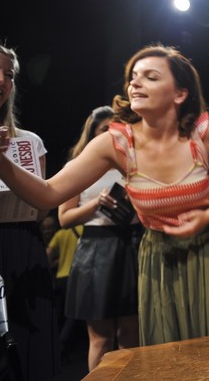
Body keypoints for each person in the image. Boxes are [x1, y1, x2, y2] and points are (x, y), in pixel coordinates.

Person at [0, 44, 209, 348]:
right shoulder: (115, 143)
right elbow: (48, 194)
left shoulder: (202, 133)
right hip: (161, 256)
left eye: (151, 77)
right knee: (172, 355)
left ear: (180, 94)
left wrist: (208, 215)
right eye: (133, 77)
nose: (135, 83)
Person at [0, 43, 59, 380]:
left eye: (9, 74)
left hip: (23, 248)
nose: (1, 79)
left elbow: (42, 209)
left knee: (31, 346)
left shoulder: (30, 141)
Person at [58, 105, 140, 370]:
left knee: (131, 335)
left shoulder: (132, 164)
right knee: (100, 339)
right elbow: (64, 218)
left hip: (131, 245)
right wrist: (96, 203)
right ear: (92, 133)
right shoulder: (78, 166)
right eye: (105, 129)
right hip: (95, 250)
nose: (112, 134)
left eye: (116, 129)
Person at [45, 222, 84, 362]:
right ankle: (61, 345)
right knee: (72, 314)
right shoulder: (83, 229)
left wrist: (52, 265)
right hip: (78, 276)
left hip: (61, 277)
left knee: (61, 313)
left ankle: (56, 346)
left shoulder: (60, 233)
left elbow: (48, 252)